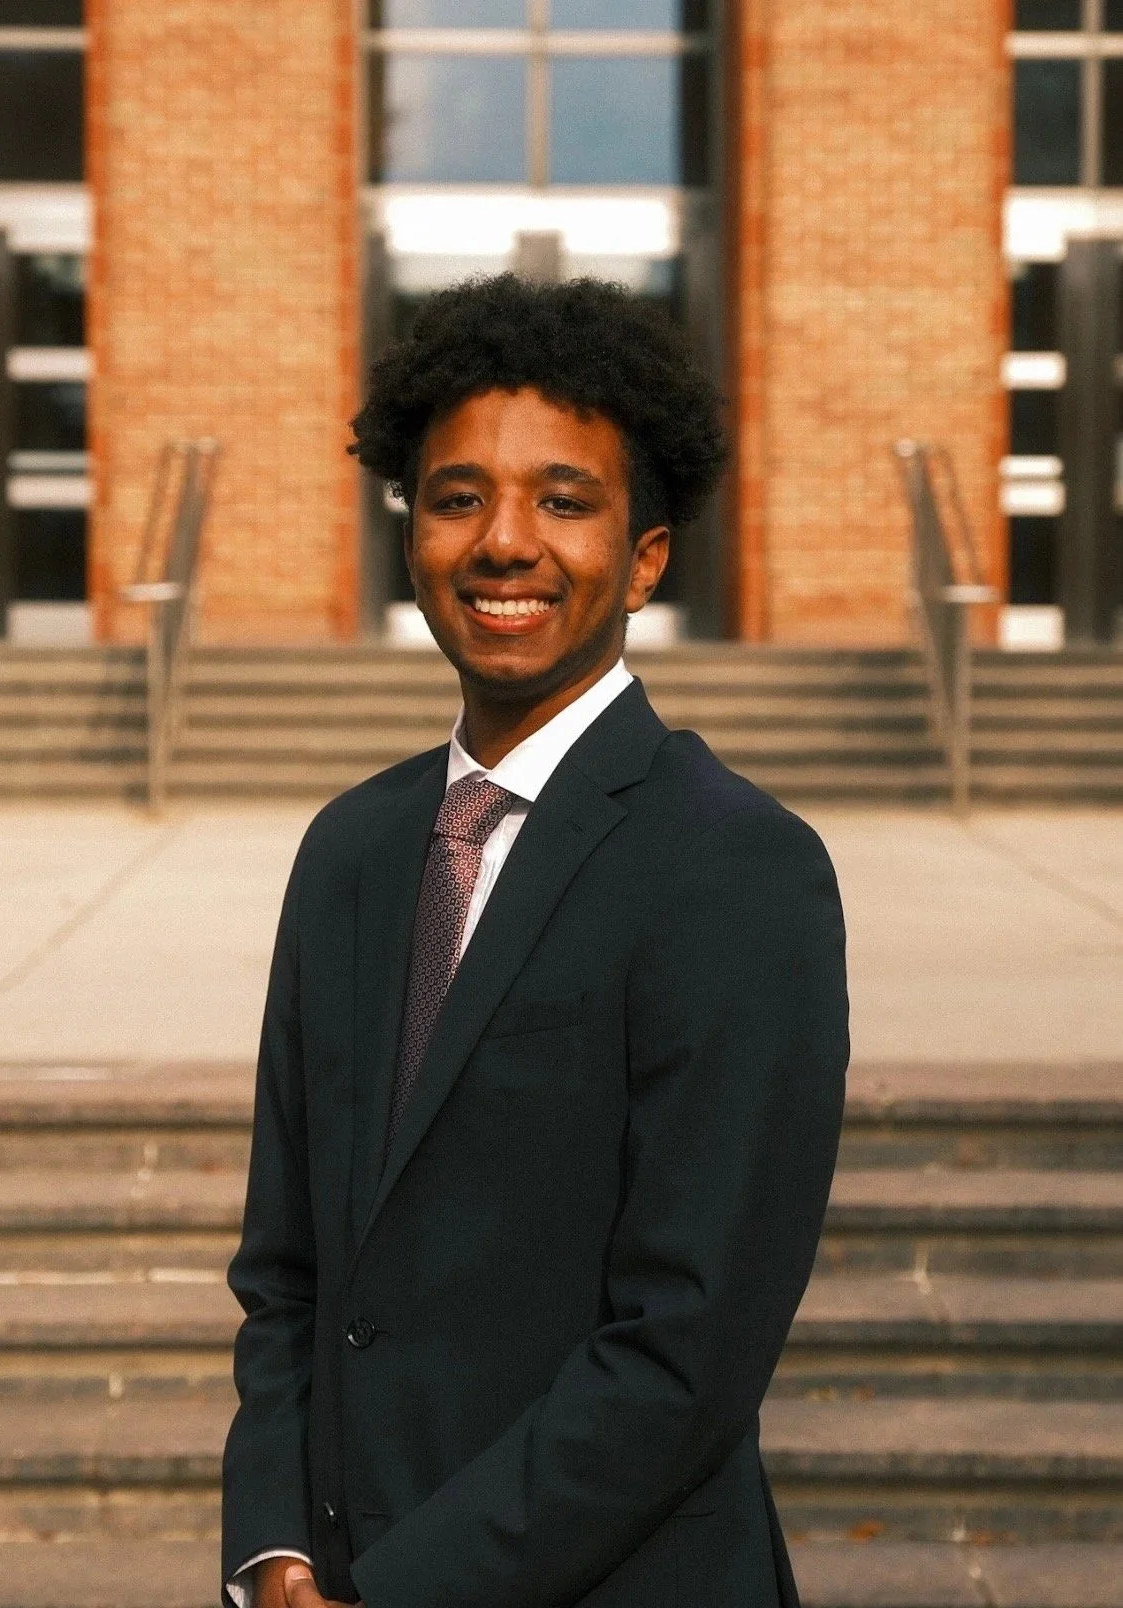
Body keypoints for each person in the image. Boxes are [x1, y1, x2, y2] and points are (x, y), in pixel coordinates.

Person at [221, 273, 849, 1608]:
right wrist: (273, 1550)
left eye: (563, 500)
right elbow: (287, 1278)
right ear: (411, 532)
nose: (503, 541)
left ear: (646, 553)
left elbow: (684, 1354)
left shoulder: (735, 868)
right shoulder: (349, 851)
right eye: (457, 497)